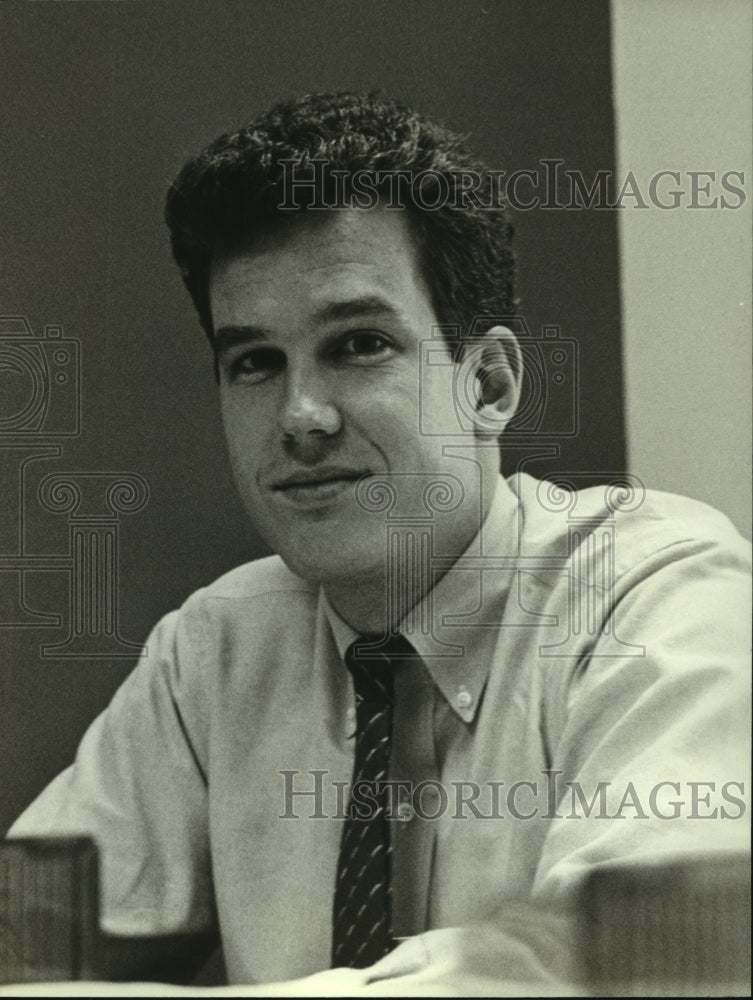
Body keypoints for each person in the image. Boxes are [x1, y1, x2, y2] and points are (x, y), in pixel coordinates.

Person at [7, 92, 750, 992]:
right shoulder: (217, 648)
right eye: (254, 362)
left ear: (490, 384)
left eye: (358, 344)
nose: (299, 417)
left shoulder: (658, 594)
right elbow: (25, 941)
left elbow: (638, 961)